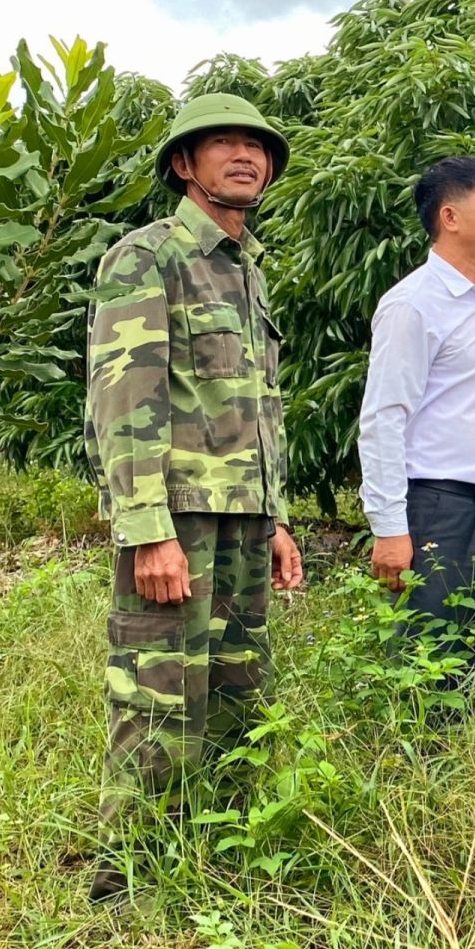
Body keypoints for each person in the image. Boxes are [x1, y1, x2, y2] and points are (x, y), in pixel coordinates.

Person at [83, 93, 305, 902]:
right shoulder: (149, 257)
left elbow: (255, 408)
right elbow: (125, 396)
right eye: (222, 143)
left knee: (241, 699)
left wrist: (276, 519)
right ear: (184, 163)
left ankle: (224, 867)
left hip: (245, 522)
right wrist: (148, 530)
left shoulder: (246, 270)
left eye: (257, 145)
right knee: (158, 700)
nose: (245, 155)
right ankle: (126, 886)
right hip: (177, 521)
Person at [358, 156, 475, 671]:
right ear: (451, 217)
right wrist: (390, 528)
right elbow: (383, 419)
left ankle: (464, 753)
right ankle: (413, 752)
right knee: (428, 662)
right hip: (442, 510)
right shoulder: (414, 304)